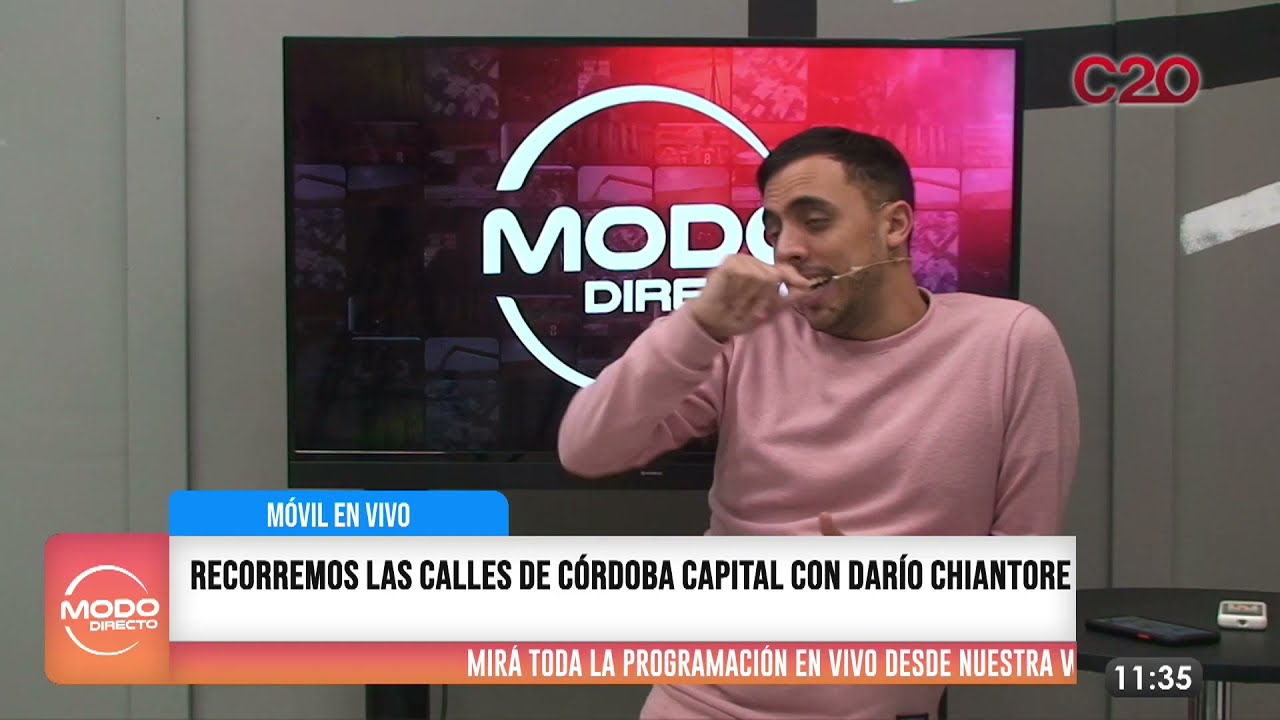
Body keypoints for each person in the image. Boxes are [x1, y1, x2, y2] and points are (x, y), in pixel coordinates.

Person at [557, 127, 1080, 720]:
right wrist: (699, 325)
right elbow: (586, 448)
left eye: (816, 221)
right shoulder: (747, 336)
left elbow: (1022, 593)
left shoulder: (1009, 343)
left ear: (895, 224)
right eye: (774, 231)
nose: (788, 249)